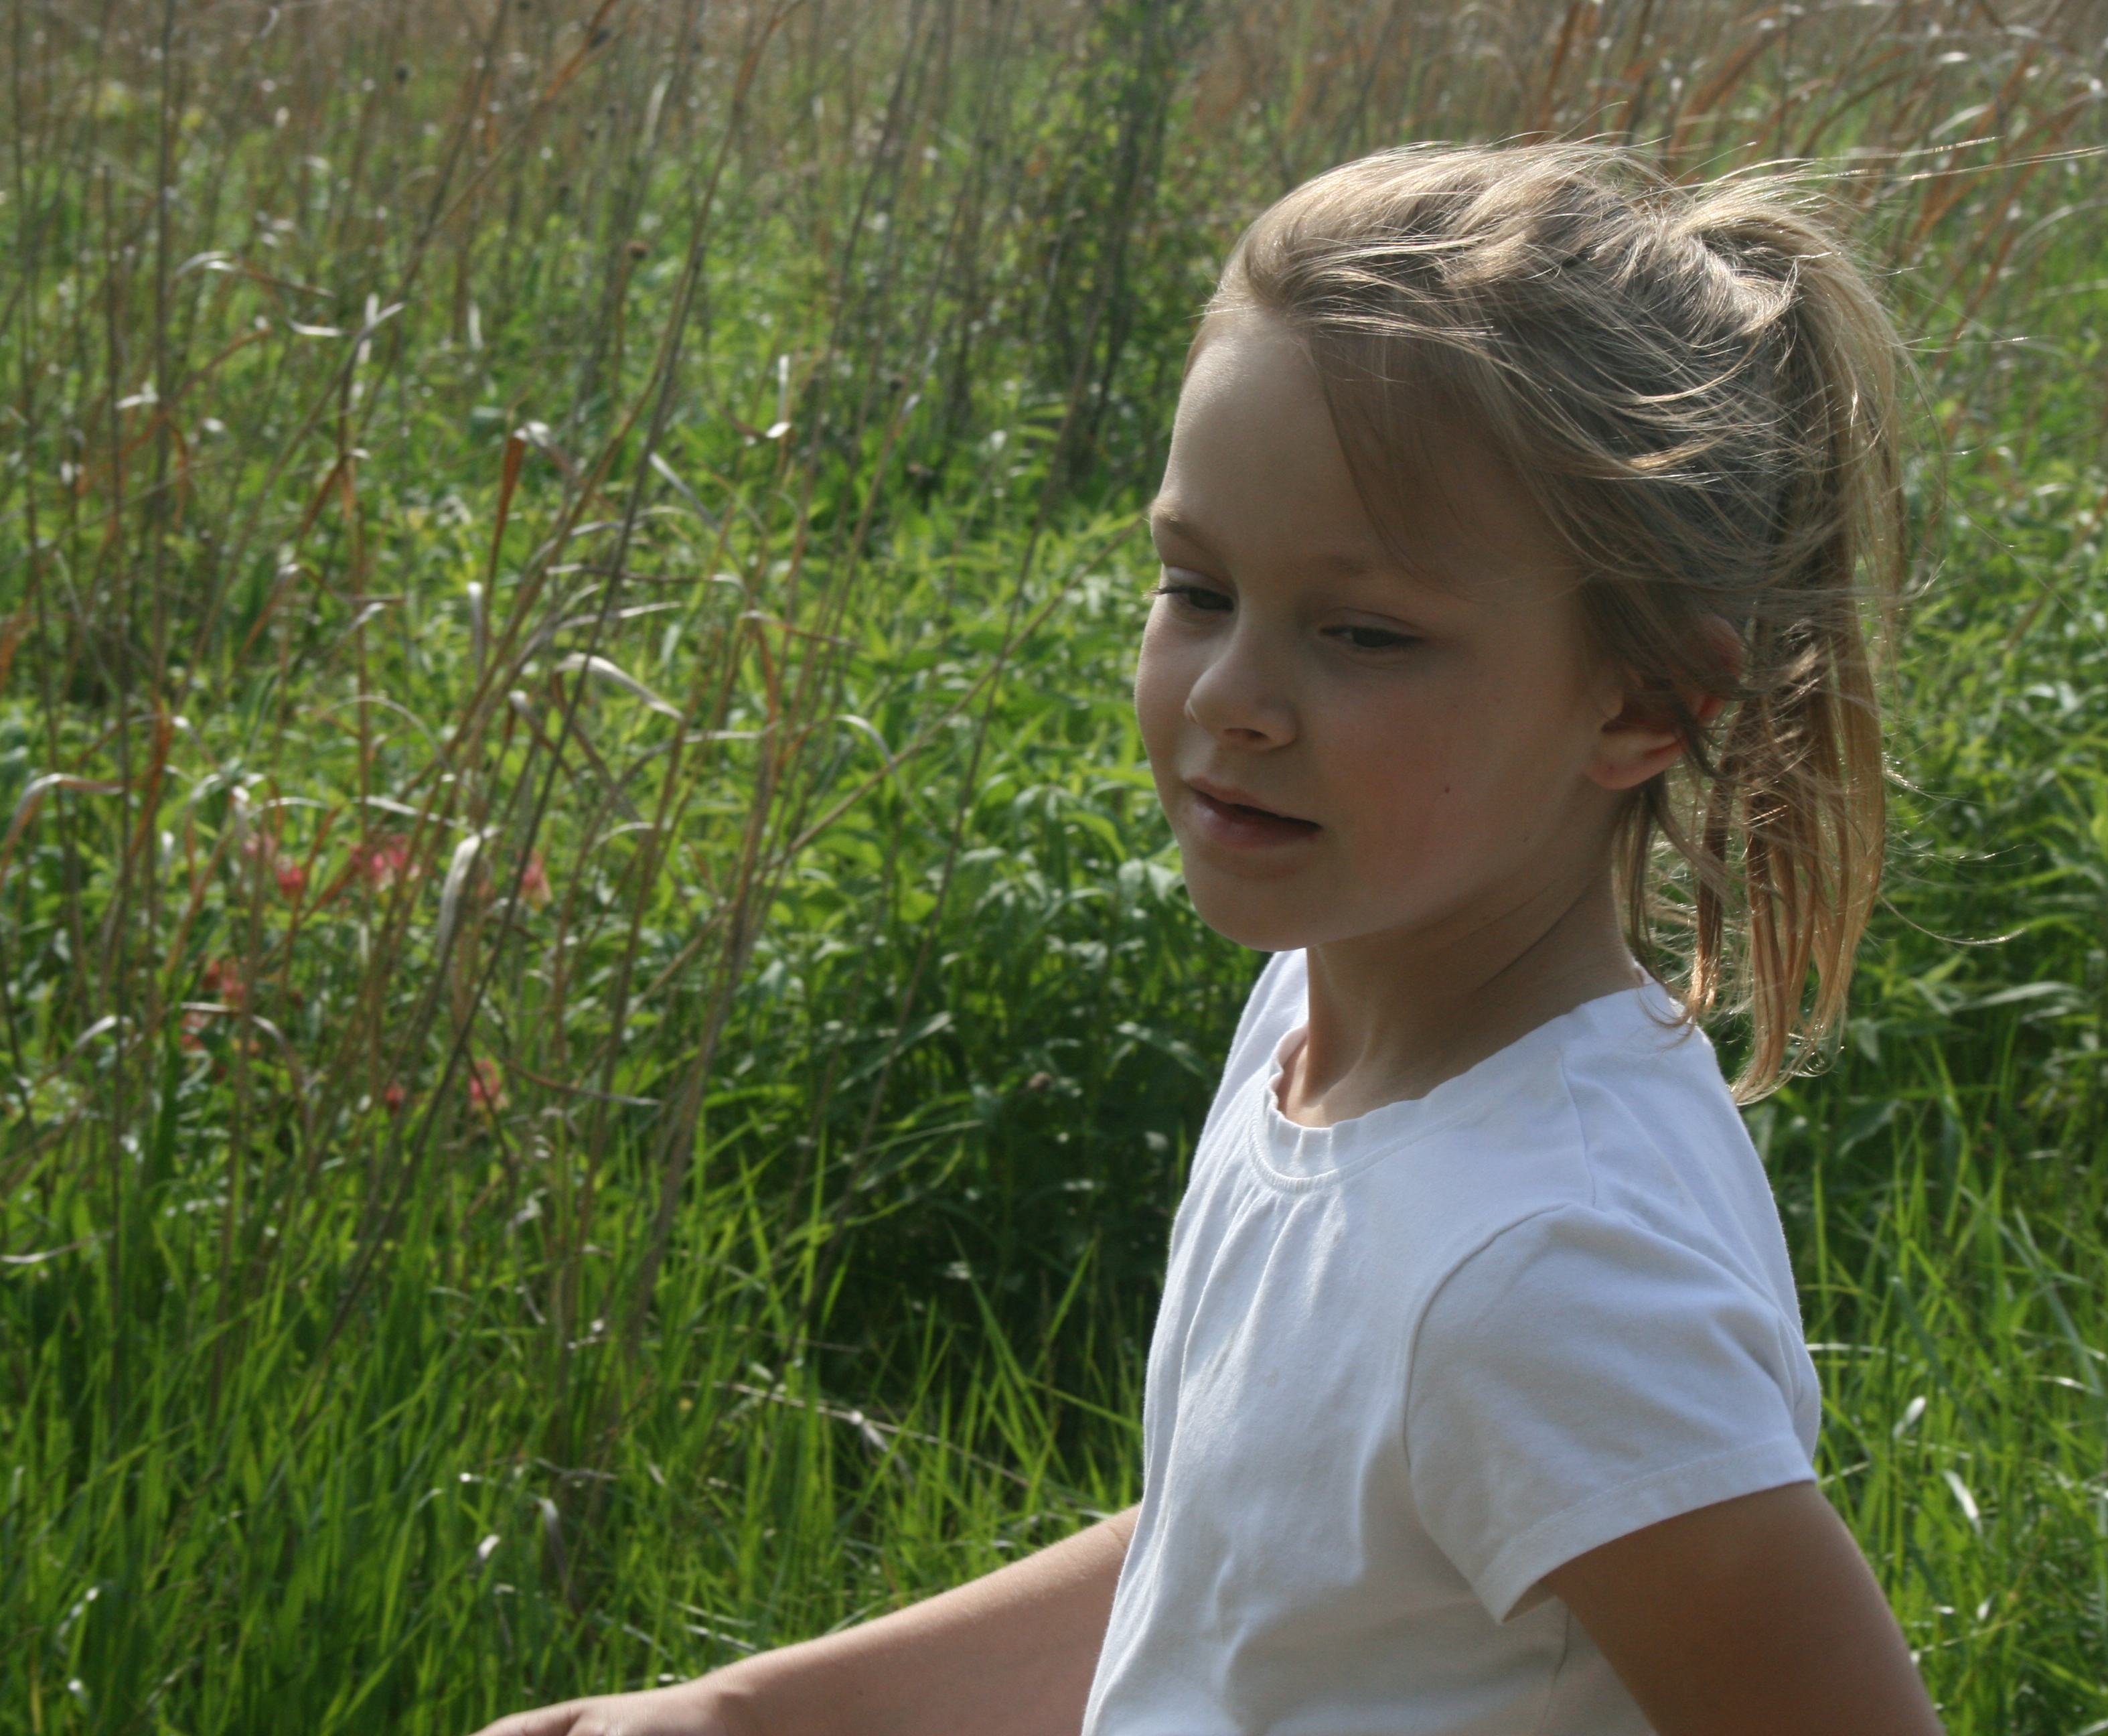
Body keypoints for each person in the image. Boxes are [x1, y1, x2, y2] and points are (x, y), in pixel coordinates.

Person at [474, 140, 1942, 1736]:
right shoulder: (1316, 1027)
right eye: (1196, 588)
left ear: (1647, 701)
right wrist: (749, 1712)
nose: (1232, 696)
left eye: (1363, 633)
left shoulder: (1547, 1266)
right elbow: (1249, 1577)